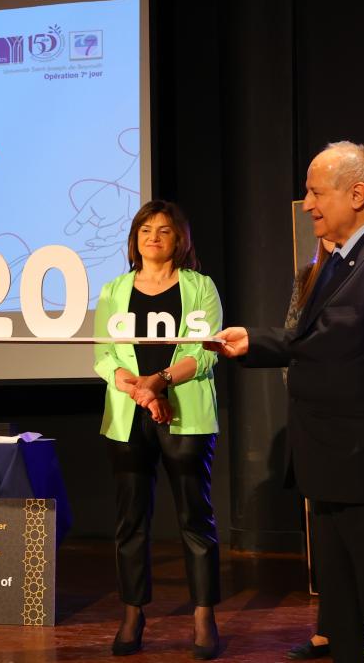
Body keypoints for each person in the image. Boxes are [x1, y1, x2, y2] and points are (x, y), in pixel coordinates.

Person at [208, 142, 364, 663]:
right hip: (334, 472)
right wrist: (255, 342)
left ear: (356, 194)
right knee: (347, 625)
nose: (309, 205)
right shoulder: (340, 259)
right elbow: (321, 340)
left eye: (316, 193)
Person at [94, 200, 223, 658]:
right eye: (145, 229)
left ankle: (204, 616)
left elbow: (205, 351)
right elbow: (103, 355)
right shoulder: (113, 290)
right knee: (131, 521)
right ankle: (132, 613)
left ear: (179, 239)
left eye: (164, 230)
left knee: (195, 518)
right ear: (135, 238)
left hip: (187, 416)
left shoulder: (200, 286)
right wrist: (143, 392)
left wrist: (162, 380)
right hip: (129, 416)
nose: (153, 237)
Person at [282, 238, 335, 661]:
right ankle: (329, 629)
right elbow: (290, 342)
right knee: (326, 534)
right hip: (316, 421)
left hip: (361, 421)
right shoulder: (307, 277)